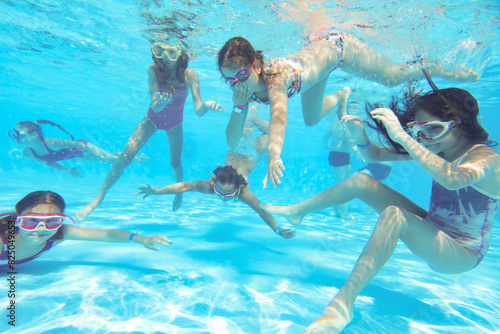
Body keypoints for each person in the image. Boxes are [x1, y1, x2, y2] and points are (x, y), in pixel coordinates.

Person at [261, 77, 499, 333]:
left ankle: (343, 304)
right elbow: (374, 156)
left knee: (394, 216)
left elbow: (455, 179)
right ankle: (299, 211)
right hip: (434, 228)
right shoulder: (438, 149)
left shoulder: (486, 157)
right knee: (362, 180)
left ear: (460, 123)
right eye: (420, 132)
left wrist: (402, 135)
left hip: (460, 254)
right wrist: (360, 136)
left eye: (432, 130)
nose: (425, 139)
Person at [217, 33, 479, 189]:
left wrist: (274, 156)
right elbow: (231, 140)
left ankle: (434, 67)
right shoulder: (243, 89)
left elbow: (278, 120)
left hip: (338, 50)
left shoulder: (274, 80)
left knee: (392, 77)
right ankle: (341, 94)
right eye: (229, 81)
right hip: (313, 72)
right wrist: (239, 105)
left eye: (240, 76)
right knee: (310, 120)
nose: (236, 84)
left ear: (255, 66)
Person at [77, 41, 223, 220]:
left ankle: (179, 193)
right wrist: (160, 103)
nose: (165, 58)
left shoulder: (190, 75)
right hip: (151, 120)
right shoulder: (153, 69)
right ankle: (98, 199)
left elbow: (199, 110)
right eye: (160, 51)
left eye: (171, 53)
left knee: (175, 164)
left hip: (175, 124)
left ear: (181, 54)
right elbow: (154, 104)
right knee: (125, 157)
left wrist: (207, 105)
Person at [137, 105, 296, 239]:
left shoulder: (243, 192)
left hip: (251, 153)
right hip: (236, 148)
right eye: (219, 193)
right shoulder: (211, 185)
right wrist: (157, 191)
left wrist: (277, 229)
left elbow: (262, 210)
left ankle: (251, 112)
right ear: (214, 183)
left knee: (272, 133)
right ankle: (250, 108)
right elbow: (184, 186)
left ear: (237, 187)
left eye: (227, 195)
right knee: (246, 127)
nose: (222, 197)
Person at [0, 191, 172, 269]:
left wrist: (142, 239)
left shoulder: (60, 233)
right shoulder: (3, 241)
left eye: (52, 221)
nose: (41, 228)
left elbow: (106, 235)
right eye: (31, 221)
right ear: (17, 220)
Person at [8, 120, 147, 178]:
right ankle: (133, 157)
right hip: (77, 155)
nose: (16, 138)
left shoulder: (51, 143)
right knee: (107, 157)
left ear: (34, 134)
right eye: (13, 134)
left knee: (109, 159)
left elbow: (76, 144)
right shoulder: (27, 152)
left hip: (82, 147)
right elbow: (47, 162)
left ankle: (138, 159)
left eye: (17, 134)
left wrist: (90, 151)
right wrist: (68, 170)